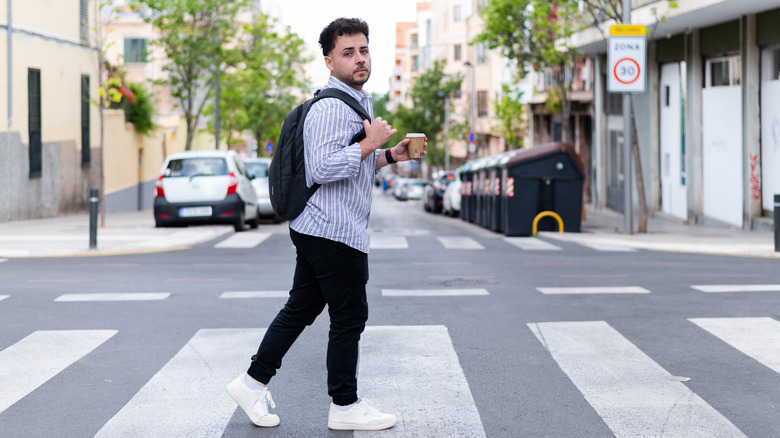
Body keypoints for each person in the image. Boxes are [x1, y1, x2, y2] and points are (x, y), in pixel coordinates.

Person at [226, 17, 426, 431]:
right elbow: (321, 166)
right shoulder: (332, 106)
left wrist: (390, 156)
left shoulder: (357, 100)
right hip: (330, 228)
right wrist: (370, 144)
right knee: (350, 316)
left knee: (301, 308)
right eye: (348, 52)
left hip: (324, 224)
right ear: (329, 62)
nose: (359, 59)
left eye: (364, 50)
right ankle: (345, 406)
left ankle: (251, 382)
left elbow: (351, 162)